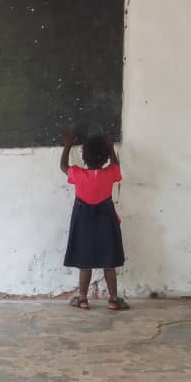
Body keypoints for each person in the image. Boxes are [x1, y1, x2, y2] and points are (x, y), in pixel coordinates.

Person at [59, 129, 129, 311]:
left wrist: (67, 145)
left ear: (83, 157)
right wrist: (111, 148)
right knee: (109, 262)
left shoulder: (77, 174)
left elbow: (63, 166)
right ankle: (113, 299)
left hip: (83, 222)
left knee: (85, 262)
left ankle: (83, 299)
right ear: (105, 158)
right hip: (106, 221)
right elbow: (116, 165)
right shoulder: (110, 173)